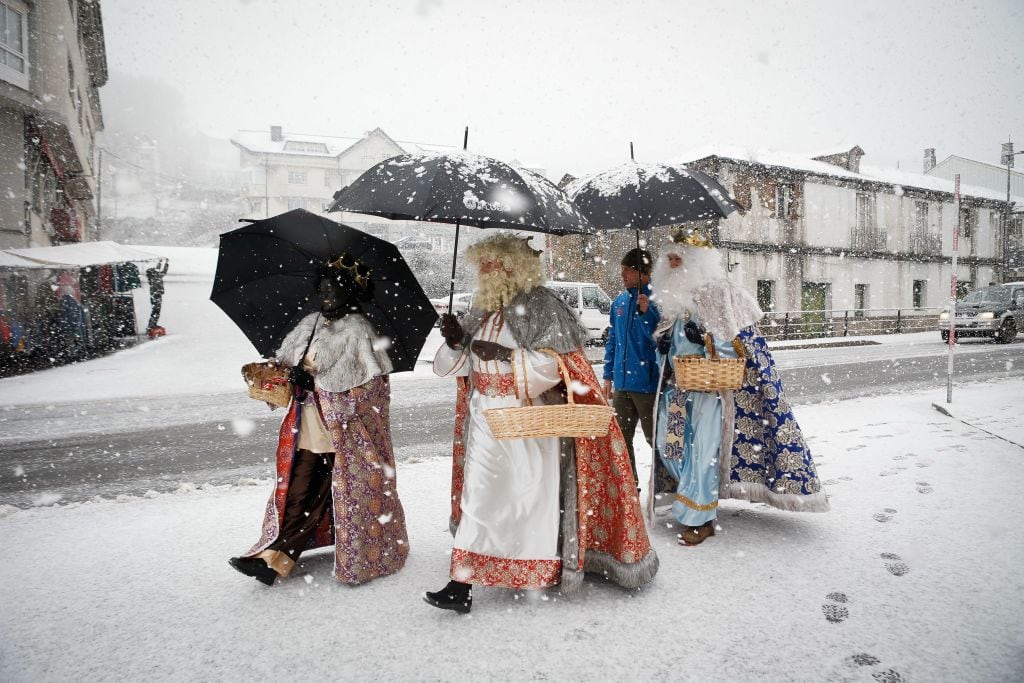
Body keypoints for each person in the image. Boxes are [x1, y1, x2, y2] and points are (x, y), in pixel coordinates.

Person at [425, 234, 657, 613]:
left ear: (513, 267)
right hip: (485, 421)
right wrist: (455, 341)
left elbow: (558, 366)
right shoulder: (481, 311)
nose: (486, 273)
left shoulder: (544, 306)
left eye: (493, 265)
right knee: (479, 497)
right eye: (483, 266)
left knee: (528, 500)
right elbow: (458, 367)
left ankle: (533, 566)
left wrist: (505, 354)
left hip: (529, 424)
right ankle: (461, 581)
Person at [229, 255, 409, 586]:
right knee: (299, 491)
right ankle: (273, 558)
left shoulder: (358, 331)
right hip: (308, 425)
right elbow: (288, 364)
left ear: (349, 291)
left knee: (334, 492)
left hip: (346, 434)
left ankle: (296, 558)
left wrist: (318, 383)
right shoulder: (309, 324)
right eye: (322, 288)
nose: (325, 294)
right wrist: (276, 374)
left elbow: (372, 390)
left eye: (333, 288)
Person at [650, 229, 828, 546]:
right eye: (669, 259)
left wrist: (707, 342)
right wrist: (665, 343)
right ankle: (691, 497)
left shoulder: (719, 293)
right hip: (679, 389)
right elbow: (667, 344)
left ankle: (700, 517)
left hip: (709, 391)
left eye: (679, 258)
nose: (673, 264)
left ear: (696, 262)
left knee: (703, 452)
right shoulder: (674, 301)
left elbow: (735, 345)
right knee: (670, 445)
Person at [603, 247, 661, 485]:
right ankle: (628, 488)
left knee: (654, 439)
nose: (623, 274)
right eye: (622, 269)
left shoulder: (658, 300)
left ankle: (667, 487)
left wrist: (647, 313)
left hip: (647, 385)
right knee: (620, 439)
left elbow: (660, 339)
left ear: (642, 272)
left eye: (627, 269)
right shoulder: (619, 302)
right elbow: (613, 341)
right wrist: (608, 376)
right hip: (622, 385)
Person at [145, 258, 169, 336]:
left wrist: (161, 262)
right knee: (156, 312)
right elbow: (162, 271)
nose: (156, 271)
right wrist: (165, 263)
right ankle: (152, 325)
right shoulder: (156, 277)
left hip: (155, 296)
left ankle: (152, 325)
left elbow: (158, 270)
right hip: (156, 296)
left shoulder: (153, 277)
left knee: (155, 312)